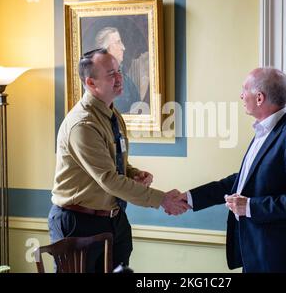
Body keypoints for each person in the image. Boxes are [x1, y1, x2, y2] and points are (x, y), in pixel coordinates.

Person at [48, 48, 189, 272]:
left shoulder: (112, 114)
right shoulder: (83, 125)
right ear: (91, 83)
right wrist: (163, 199)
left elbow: (112, 162)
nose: (119, 78)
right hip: (78, 222)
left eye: (119, 71)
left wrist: (132, 173)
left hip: (113, 220)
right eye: (111, 73)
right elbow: (109, 180)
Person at [180, 67, 286, 273]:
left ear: (259, 98)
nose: (240, 95)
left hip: (281, 259)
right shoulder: (264, 130)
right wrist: (191, 198)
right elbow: (244, 181)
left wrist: (250, 207)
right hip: (255, 253)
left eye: (244, 90)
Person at [95, 27, 147, 114]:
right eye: (118, 42)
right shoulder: (101, 80)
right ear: (107, 49)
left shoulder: (124, 77)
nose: (123, 47)